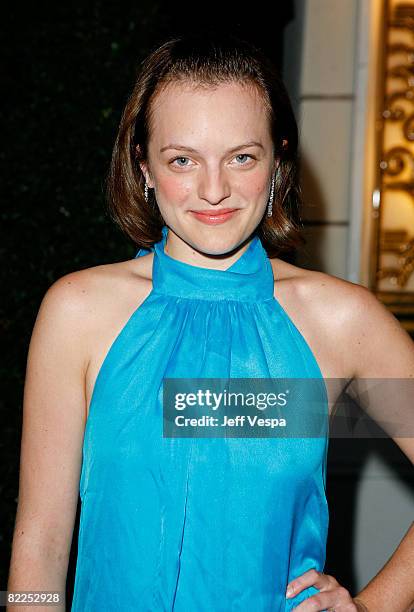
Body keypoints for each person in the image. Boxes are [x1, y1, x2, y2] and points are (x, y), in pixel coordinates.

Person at [6, 32, 414, 612]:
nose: (214, 190)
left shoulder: (342, 322)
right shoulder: (78, 313)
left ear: (278, 161)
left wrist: (371, 607)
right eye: (183, 160)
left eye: (242, 157)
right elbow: (39, 547)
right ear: (144, 166)